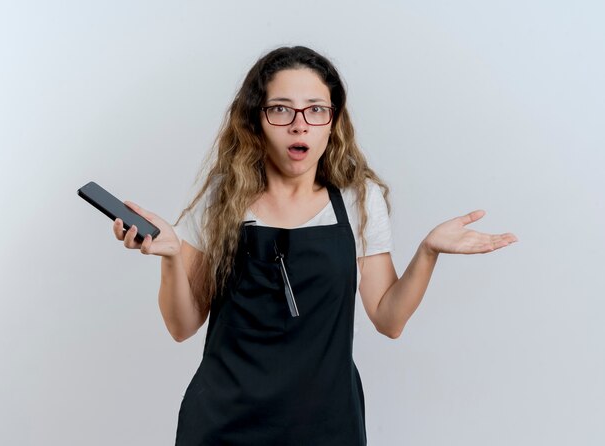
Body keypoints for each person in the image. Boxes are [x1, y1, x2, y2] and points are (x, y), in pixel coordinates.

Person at [112, 46, 518, 445]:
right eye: (281, 109)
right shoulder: (221, 200)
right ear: (256, 119)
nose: (299, 125)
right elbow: (182, 326)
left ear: (332, 121)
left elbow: (389, 320)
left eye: (315, 110)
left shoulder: (360, 199)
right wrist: (169, 259)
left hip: (326, 423)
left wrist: (428, 251)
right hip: (224, 424)